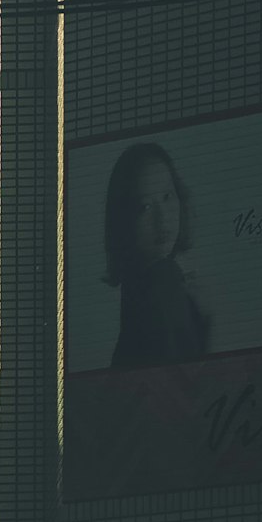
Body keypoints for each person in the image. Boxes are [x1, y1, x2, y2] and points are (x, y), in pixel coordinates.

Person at [100, 138, 212, 369]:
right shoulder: (163, 279)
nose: (162, 219)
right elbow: (192, 384)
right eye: (145, 207)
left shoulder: (138, 285)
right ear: (124, 220)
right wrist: (211, 321)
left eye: (167, 197)